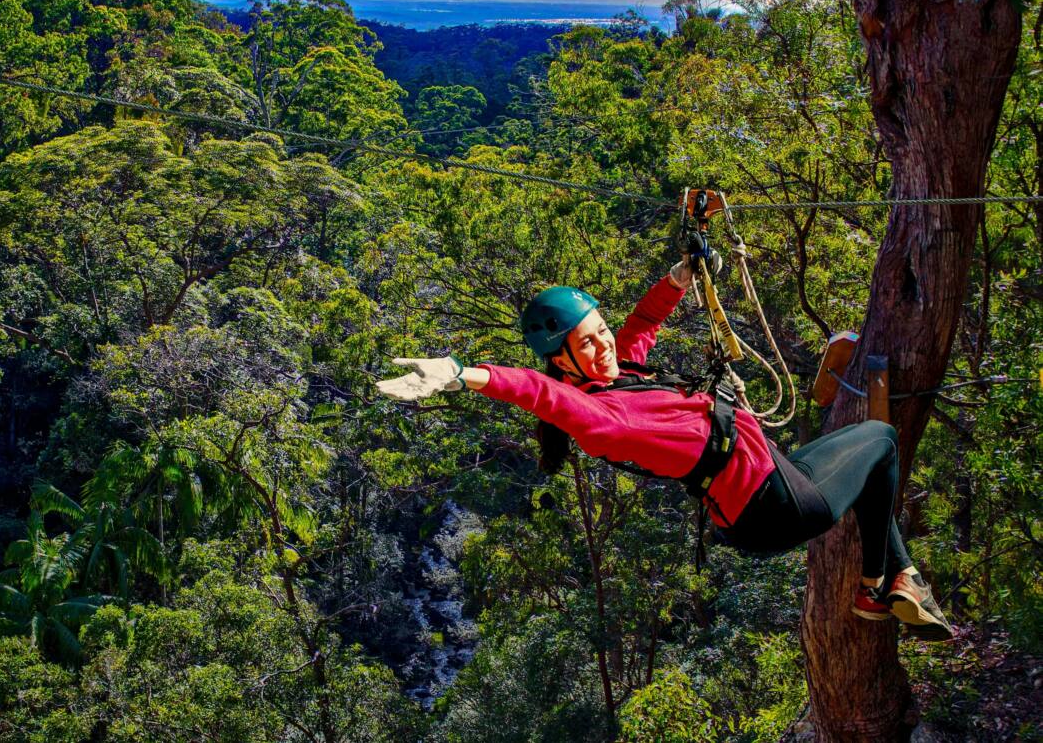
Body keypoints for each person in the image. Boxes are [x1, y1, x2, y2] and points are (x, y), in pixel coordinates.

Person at [376, 256, 953, 641]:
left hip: (762, 489)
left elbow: (643, 322)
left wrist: (680, 276)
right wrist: (463, 375)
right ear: (561, 360)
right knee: (881, 440)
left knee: (867, 471)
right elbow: (538, 393)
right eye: (587, 342)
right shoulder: (600, 418)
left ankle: (895, 580)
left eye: (601, 331)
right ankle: (879, 584)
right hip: (774, 505)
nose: (604, 346)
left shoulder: (617, 375)